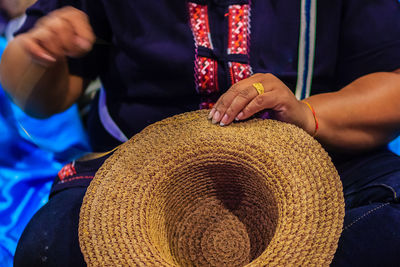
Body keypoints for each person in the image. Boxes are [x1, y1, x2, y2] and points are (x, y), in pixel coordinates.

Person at [0, 0, 399, 265]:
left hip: (317, 152)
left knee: (387, 232)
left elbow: (392, 87)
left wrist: (308, 113)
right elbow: (44, 97)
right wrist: (40, 53)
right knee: (49, 248)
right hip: (136, 165)